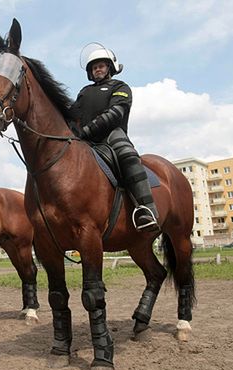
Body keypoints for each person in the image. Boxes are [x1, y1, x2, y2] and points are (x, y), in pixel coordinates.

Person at [69, 45, 159, 231]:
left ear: (110, 68)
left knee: (128, 154)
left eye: (101, 66)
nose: (97, 70)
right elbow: (72, 115)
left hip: (112, 134)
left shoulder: (120, 87)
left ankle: (146, 209)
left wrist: (86, 130)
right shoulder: (84, 92)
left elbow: (115, 113)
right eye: (94, 68)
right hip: (86, 140)